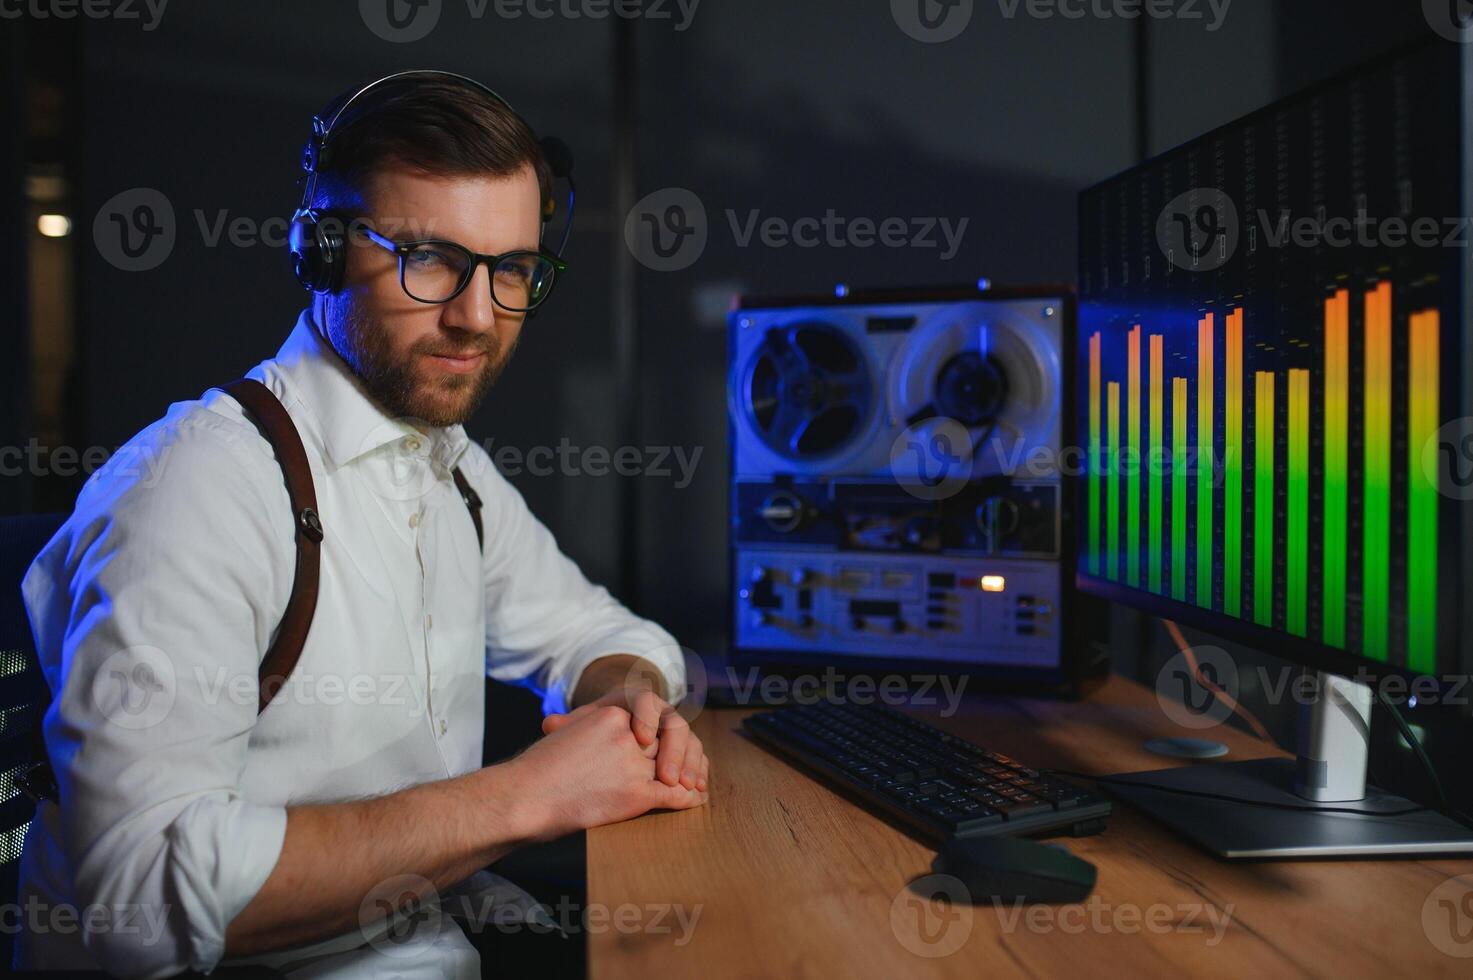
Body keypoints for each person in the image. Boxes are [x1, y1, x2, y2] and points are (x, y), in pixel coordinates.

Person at [14, 71, 707, 978]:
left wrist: (627, 703)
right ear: (322, 254)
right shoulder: (197, 488)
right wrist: (528, 797)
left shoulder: (445, 464)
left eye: (513, 272)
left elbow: (597, 633)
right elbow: (133, 903)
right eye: (429, 261)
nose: (475, 316)